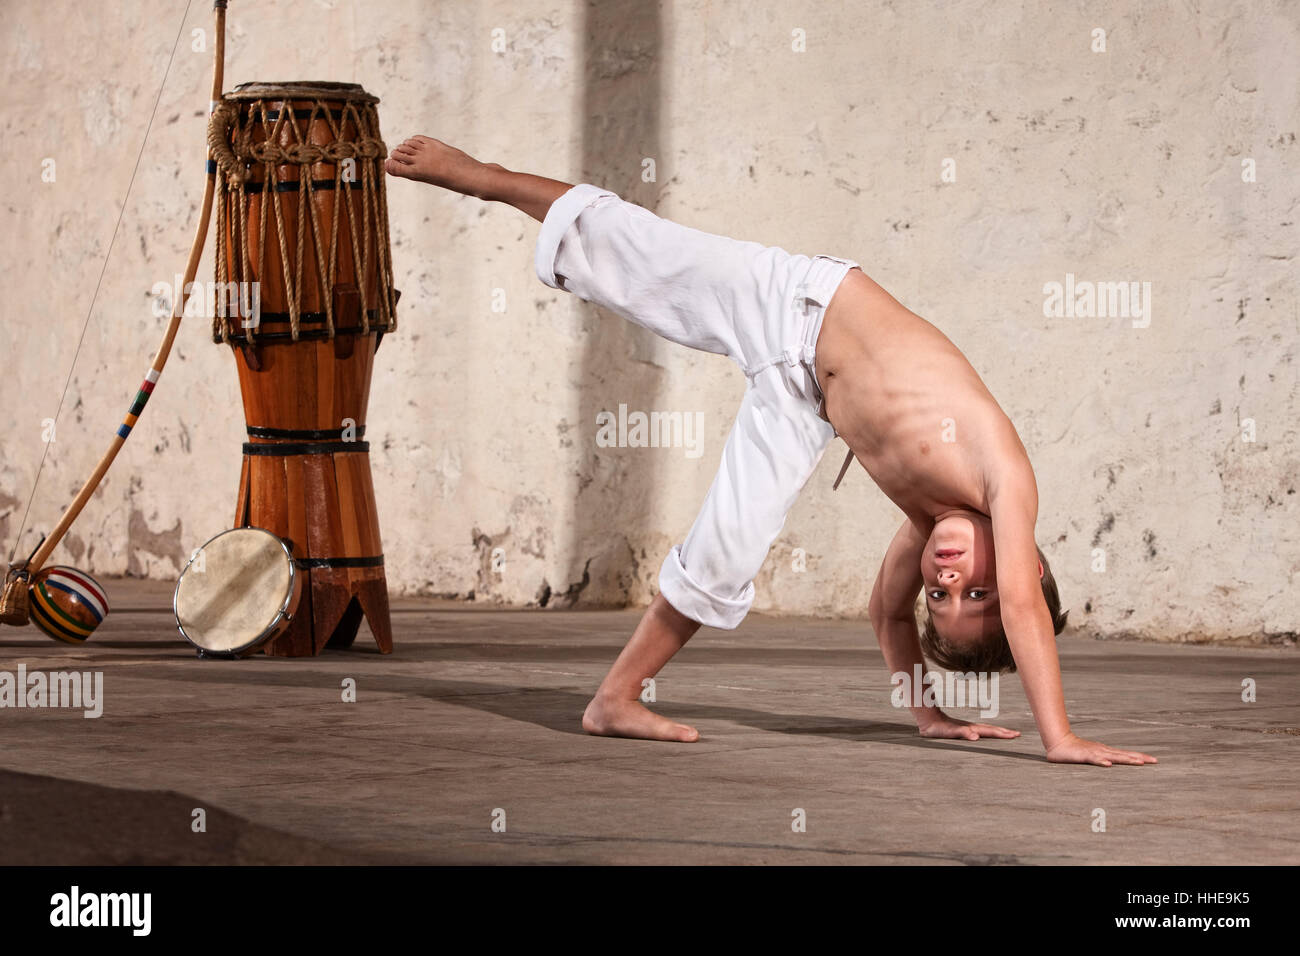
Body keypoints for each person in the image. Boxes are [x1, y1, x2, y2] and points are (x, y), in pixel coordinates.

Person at [385, 135, 1156, 767]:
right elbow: (1024, 608)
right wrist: (1058, 736)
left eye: (944, 599)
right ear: (1032, 564)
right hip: (801, 302)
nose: (948, 582)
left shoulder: (928, 530)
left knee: (727, 553)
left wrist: (927, 715)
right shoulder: (1007, 482)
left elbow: (886, 613)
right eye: (975, 592)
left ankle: (614, 698)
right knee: (642, 254)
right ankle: (484, 178)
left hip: (802, 401)